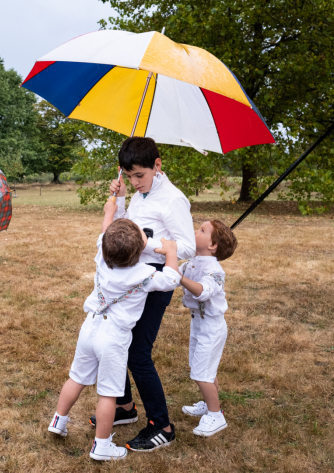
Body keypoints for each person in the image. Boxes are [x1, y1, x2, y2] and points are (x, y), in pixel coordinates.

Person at [47, 198, 180, 461]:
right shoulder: (142, 272)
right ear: (141, 250)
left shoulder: (101, 255)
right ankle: (102, 446)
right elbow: (171, 279)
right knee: (109, 393)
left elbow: (104, 231)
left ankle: (58, 421)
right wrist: (171, 251)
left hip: (90, 327)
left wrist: (111, 209)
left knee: (76, 378)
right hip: (114, 337)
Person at [90, 136, 196, 451]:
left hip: (155, 283)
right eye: (130, 175)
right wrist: (121, 201)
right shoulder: (140, 193)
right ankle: (123, 406)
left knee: (137, 352)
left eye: (140, 175)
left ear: (157, 166)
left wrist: (145, 244)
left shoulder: (173, 200)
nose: (135, 181)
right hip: (132, 278)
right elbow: (129, 227)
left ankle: (161, 425)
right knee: (116, 337)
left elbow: (186, 246)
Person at [179, 220, 238, 437]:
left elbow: (202, 291)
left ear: (212, 245)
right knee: (203, 368)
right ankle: (209, 402)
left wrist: (180, 277)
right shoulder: (192, 262)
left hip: (212, 327)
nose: (195, 230)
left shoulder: (215, 270)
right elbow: (173, 274)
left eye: (202, 230)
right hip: (198, 322)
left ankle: (216, 415)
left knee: (201, 373)